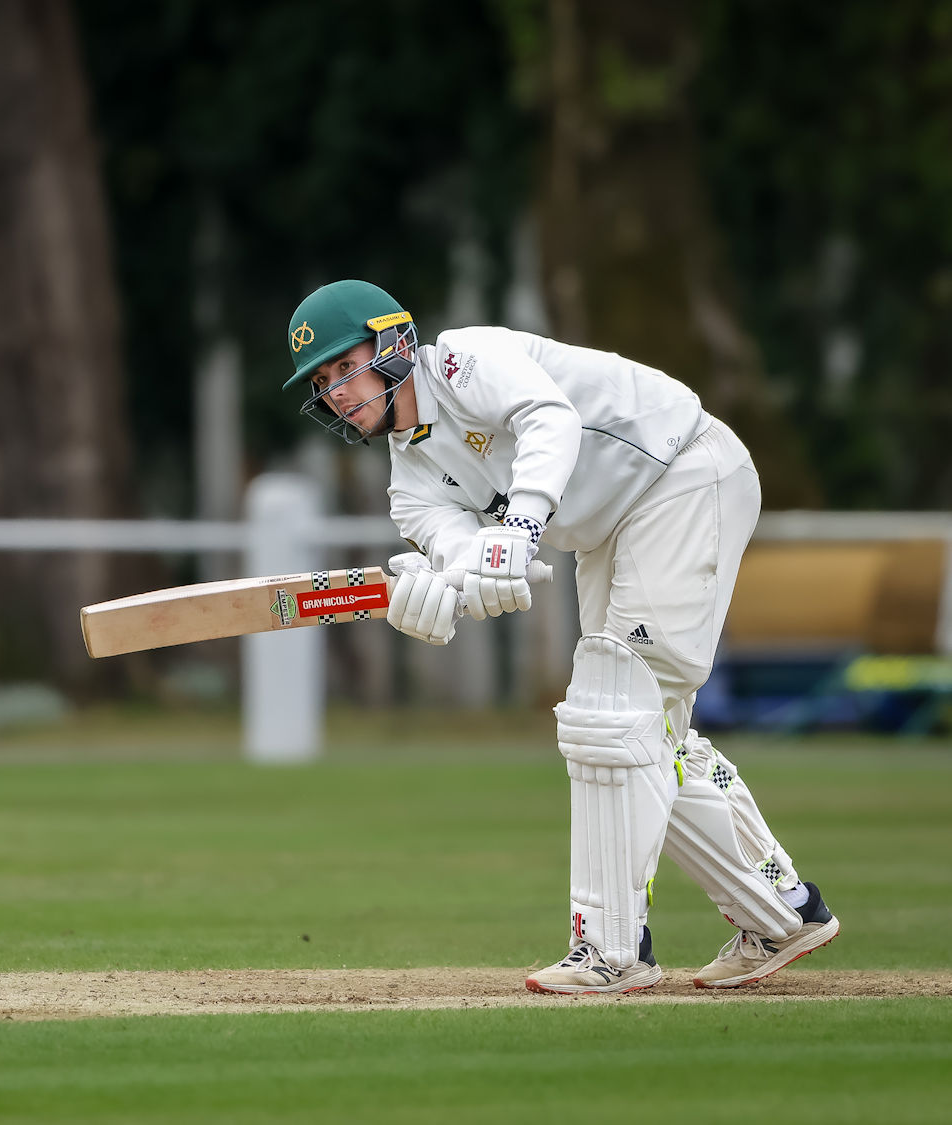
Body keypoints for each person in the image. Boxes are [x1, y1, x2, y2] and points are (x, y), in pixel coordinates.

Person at [283, 279, 838, 994]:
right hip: (610, 529)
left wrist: (521, 524)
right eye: (323, 382)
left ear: (393, 344)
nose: (337, 391)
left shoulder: (464, 363)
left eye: (344, 365)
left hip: (684, 472)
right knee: (642, 734)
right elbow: (465, 558)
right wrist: (442, 593)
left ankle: (611, 950)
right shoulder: (408, 485)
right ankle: (783, 909)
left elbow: (551, 417)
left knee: (613, 712)